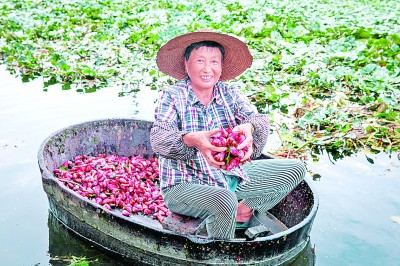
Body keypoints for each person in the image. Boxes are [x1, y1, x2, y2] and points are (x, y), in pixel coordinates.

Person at [150, 30, 305, 239]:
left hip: (228, 178)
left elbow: (258, 120)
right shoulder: (172, 96)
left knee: (295, 169)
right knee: (224, 200)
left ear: (221, 67)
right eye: (200, 61)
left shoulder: (228, 93)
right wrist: (192, 140)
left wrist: (249, 128)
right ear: (186, 65)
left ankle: (241, 211)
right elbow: (159, 138)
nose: (207, 69)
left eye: (214, 62)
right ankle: (222, 252)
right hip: (184, 185)